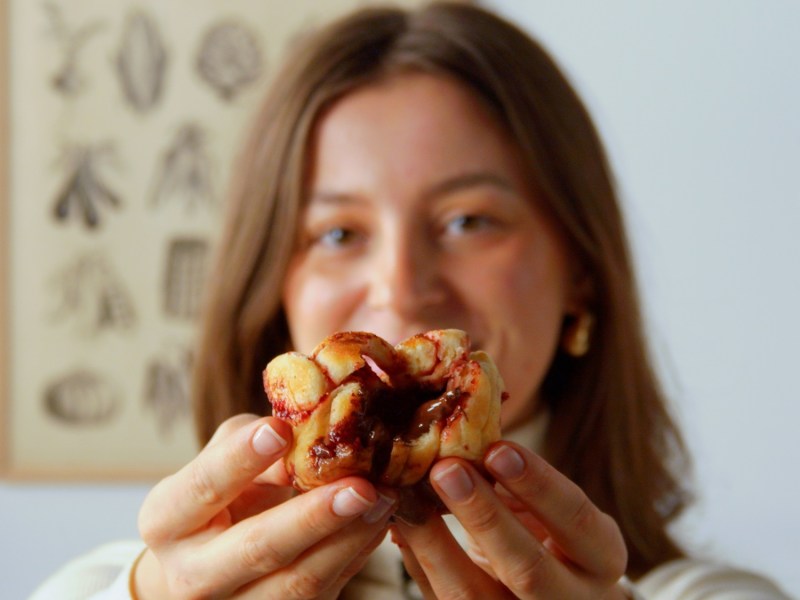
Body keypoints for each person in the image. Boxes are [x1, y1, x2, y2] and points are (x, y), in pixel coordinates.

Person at [31, 2, 790, 599]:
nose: (401, 284)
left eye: (468, 221)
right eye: (337, 232)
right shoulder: (115, 591)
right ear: (273, 291)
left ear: (581, 273)